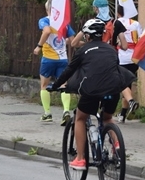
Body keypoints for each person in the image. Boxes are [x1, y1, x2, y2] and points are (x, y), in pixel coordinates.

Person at [50, 18, 136, 170]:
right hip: (113, 90)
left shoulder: (83, 51)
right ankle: (117, 146)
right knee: (107, 117)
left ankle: (81, 159)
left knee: (80, 118)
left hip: (92, 91)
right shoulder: (111, 50)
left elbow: (69, 70)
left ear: (87, 36)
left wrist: (55, 85)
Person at [34, 0, 75, 125]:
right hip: (62, 59)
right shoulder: (64, 23)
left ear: (47, 9)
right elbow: (72, 41)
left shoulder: (45, 20)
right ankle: (66, 111)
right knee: (64, 86)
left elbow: (46, 31)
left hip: (48, 59)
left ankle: (47, 113)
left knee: (44, 86)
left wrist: (38, 46)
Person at [115, 4, 142, 122]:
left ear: (118, 12)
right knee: (127, 84)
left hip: (121, 58)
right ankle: (123, 114)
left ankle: (127, 106)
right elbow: (141, 40)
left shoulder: (117, 22)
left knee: (122, 85)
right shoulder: (135, 24)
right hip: (134, 58)